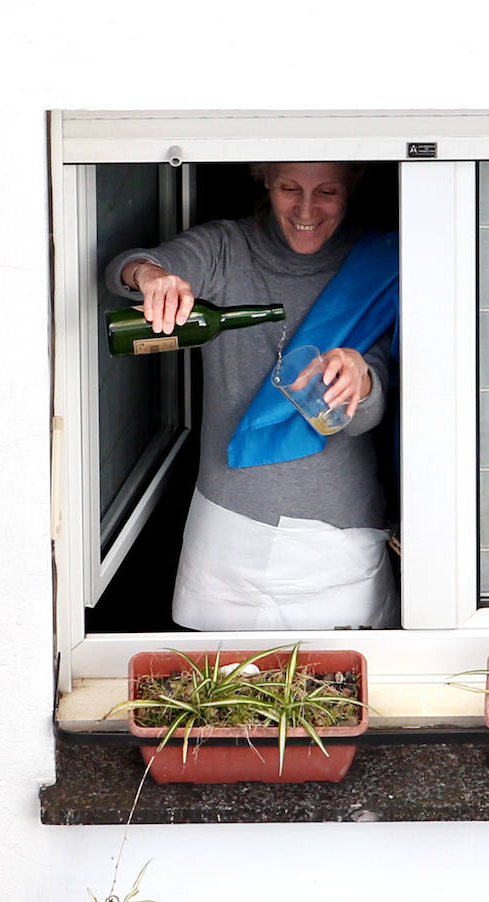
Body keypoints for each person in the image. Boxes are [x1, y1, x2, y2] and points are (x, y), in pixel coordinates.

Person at [105, 162, 399, 632]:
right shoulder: (226, 248)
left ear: (355, 185)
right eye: (289, 188)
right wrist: (151, 276)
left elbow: (370, 414)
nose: (306, 209)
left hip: (339, 537)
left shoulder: (383, 264)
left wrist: (359, 379)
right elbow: (125, 267)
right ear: (264, 178)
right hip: (228, 525)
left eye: (326, 191)